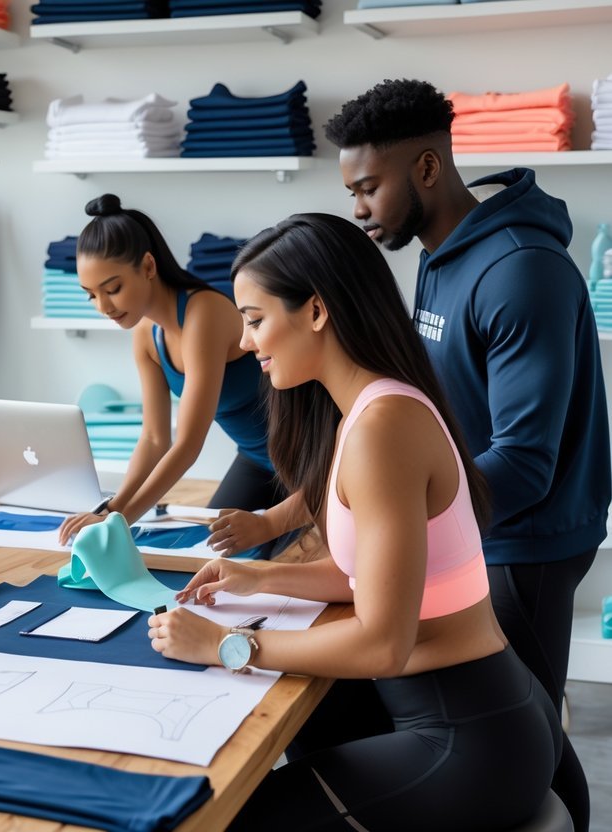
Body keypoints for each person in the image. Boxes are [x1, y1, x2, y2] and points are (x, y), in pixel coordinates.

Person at [150, 213, 561, 830]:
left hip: (467, 738)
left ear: (316, 310)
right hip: (465, 713)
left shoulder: (382, 427)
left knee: (229, 816)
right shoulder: (366, 412)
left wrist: (228, 646)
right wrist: (254, 578)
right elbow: (368, 580)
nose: (244, 342)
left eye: (256, 320)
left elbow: (382, 641)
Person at [324, 78, 606, 832]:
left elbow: (523, 461)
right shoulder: (438, 256)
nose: (357, 208)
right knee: (522, 728)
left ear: (424, 169)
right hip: (479, 530)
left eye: (366, 188)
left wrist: (412, 528)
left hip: (527, 540)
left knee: (531, 734)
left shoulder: (519, 269)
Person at [57, 194, 284, 553]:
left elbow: (188, 444)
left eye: (113, 289)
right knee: (211, 550)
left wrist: (118, 520)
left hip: (307, 461)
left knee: (278, 560)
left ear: (148, 266)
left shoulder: (203, 313)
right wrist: (111, 508)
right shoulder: (148, 335)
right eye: (91, 295)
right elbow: (153, 439)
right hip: (256, 461)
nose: (103, 307)